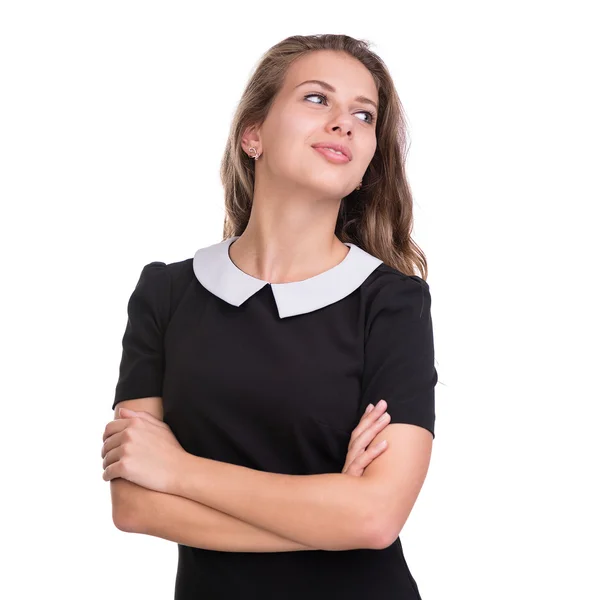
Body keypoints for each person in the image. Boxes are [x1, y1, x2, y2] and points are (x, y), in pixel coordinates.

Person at [102, 33, 438, 600]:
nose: (345, 123)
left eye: (364, 114)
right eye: (316, 98)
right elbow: (134, 503)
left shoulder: (392, 303)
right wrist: (332, 516)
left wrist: (180, 472)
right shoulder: (166, 292)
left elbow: (377, 518)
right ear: (252, 135)